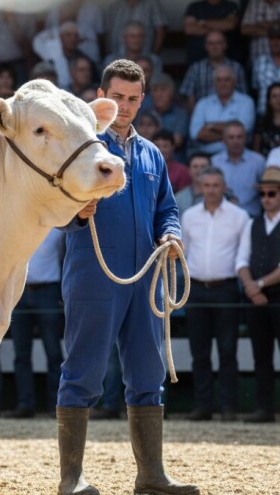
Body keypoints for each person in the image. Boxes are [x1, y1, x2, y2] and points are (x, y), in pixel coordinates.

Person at [56, 59, 198, 495]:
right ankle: (71, 479)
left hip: (146, 275)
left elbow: (167, 209)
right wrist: (74, 211)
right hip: (93, 271)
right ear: (100, 96)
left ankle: (151, 476)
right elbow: (52, 203)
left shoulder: (153, 153)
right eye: (116, 97)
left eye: (134, 98)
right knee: (83, 371)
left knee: (148, 374)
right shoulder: (82, 147)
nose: (125, 106)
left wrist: (171, 233)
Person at [235, 167, 280, 424]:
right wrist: (251, 286)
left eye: (272, 193)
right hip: (256, 298)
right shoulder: (252, 223)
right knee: (261, 355)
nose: (267, 198)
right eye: (263, 194)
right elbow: (241, 259)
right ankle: (264, 408)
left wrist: (257, 285)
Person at [181, 167, 249, 421]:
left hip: (226, 289)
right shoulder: (189, 216)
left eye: (215, 185)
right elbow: (184, 252)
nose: (210, 190)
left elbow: (243, 254)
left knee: (227, 351)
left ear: (224, 187)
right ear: (200, 186)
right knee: (199, 352)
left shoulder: (239, 216)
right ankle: (203, 406)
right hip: (197, 288)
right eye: (206, 185)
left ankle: (229, 407)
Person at [4, 230, 63, 418]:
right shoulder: (18, 223)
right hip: (19, 293)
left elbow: (64, 256)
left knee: (53, 353)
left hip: (48, 291)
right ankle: (25, 404)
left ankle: (57, 404)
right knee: (21, 353)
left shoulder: (57, 228)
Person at [189, 65, 255, 155]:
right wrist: (230, 134)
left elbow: (243, 129)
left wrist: (211, 126)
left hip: (237, 155)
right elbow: (196, 134)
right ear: (214, 83)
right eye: (218, 80)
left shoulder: (246, 102)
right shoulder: (203, 103)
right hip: (206, 156)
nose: (222, 83)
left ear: (234, 82)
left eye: (226, 80)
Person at [179, 30, 247, 113]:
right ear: (206, 46)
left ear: (225, 45)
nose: (214, 47)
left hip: (231, 114)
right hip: (203, 115)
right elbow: (189, 96)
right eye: (210, 43)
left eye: (218, 43)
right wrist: (196, 118)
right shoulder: (195, 68)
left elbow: (243, 96)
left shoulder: (236, 68)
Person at [211, 121, 266, 217]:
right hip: (223, 216)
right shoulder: (215, 162)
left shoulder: (258, 161)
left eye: (239, 137)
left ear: (245, 139)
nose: (235, 141)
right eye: (231, 137)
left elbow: (266, 189)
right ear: (224, 140)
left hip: (251, 216)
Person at [0, 10, 35, 89]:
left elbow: (28, 47)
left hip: (17, 64)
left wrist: (12, 21)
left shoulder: (27, 14)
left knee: (18, 96)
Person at [144, 74, 188, 158]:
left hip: (174, 160)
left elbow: (177, 141)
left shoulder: (180, 115)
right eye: (155, 90)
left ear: (171, 92)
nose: (158, 94)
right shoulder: (144, 112)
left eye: (163, 90)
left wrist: (151, 133)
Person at [252, 82, 280, 156]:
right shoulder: (261, 122)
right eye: (274, 96)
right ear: (269, 100)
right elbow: (256, 149)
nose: (278, 99)